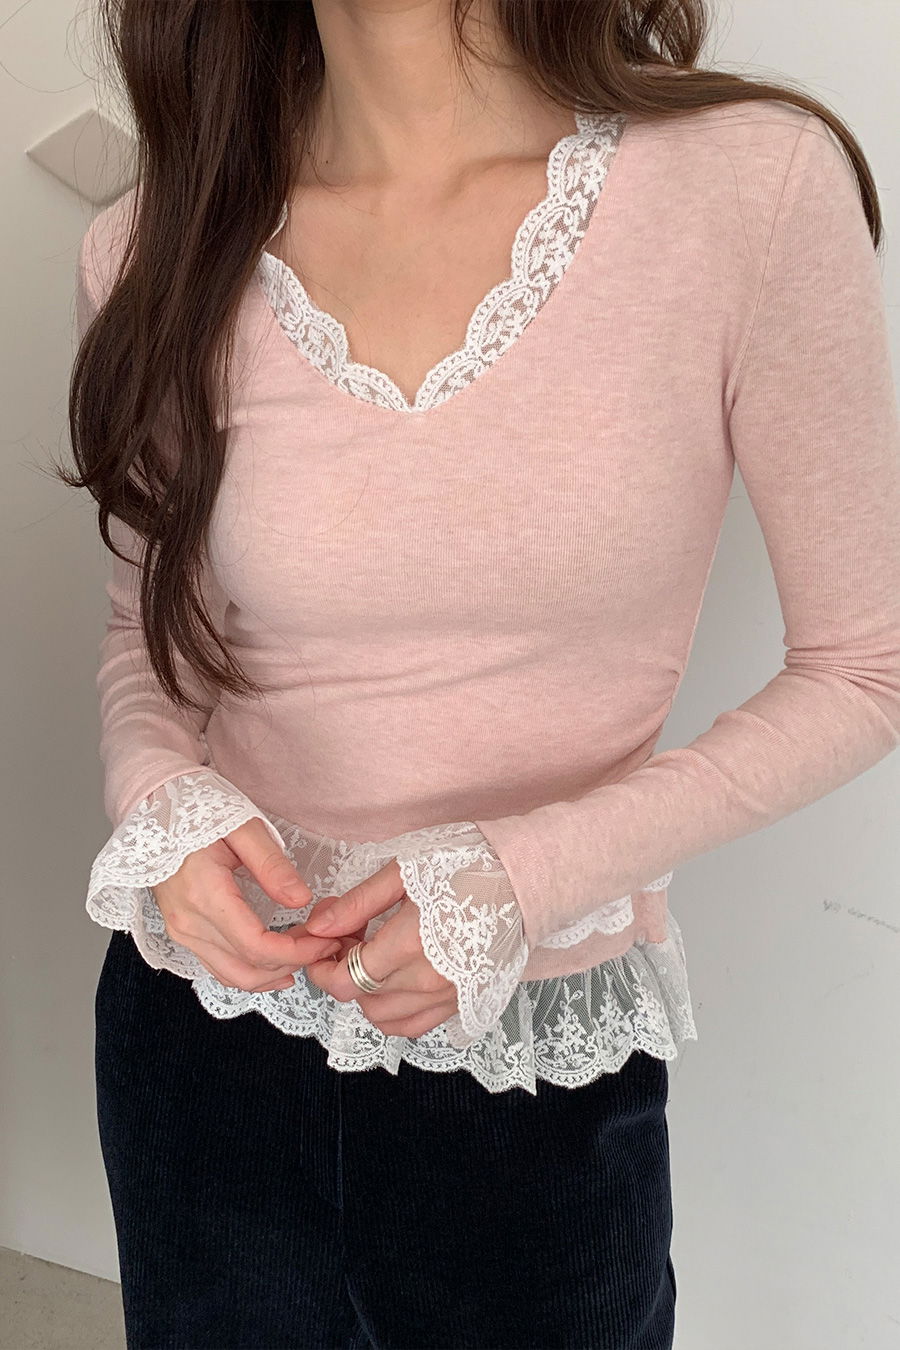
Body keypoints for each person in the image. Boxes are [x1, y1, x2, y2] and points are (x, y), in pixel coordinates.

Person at [61, 1, 900, 1347]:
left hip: (534, 1082)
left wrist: (528, 875)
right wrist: (159, 801)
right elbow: (146, 634)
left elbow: (866, 666)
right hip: (205, 1043)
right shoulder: (158, 238)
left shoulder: (751, 186)